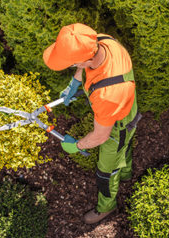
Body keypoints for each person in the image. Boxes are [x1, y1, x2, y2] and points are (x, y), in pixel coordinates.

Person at [43, 23, 141, 224]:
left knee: (106, 171)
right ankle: (127, 173)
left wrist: (76, 145)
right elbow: (84, 64)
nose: (74, 68)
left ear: (85, 59)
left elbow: (100, 136)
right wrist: (75, 83)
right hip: (128, 107)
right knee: (126, 146)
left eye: (72, 64)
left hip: (118, 126)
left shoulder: (107, 95)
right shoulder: (104, 41)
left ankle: (106, 207)